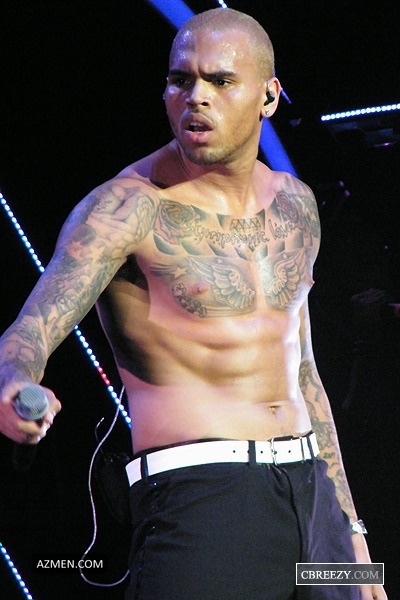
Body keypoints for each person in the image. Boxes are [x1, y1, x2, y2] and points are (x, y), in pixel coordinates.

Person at [0, 8, 386, 600]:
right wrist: (11, 383)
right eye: (181, 80)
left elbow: (304, 370)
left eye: (220, 81)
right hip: (206, 498)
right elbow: (28, 331)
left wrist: (352, 534)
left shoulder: (295, 203)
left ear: (268, 96)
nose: (196, 97)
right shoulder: (125, 209)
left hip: (316, 504)